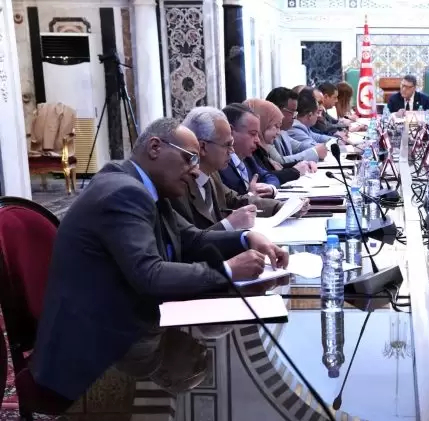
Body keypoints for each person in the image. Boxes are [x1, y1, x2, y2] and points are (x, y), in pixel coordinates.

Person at [30, 117, 289, 402]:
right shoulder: (123, 192)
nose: (195, 170)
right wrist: (227, 270)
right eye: (189, 158)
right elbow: (150, 275)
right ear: (155, 147)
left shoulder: (147, 187)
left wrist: (246, 238)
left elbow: (193, 239)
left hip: (124, 329)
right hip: (93, 357)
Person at [170, 107, 307, 230]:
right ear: (203, 147)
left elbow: (237, 200)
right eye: (227, 145)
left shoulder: (212, 174)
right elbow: (190, 240)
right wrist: (229, 224)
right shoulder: (177, 187)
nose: (231, 151)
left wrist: (283, 207)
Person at [243, 98, 314, 185]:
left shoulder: (260, 148)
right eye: (276, 126)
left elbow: (269, 172)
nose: (279, 132)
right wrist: (295, 171)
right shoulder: (250, 151)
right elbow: (263, 177)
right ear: (263, 123)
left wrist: (303, 164)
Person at [218, 103, 280, 195]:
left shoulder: (247, 158)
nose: (257, 140)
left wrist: (270, 188)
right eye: (253, 134)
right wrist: (250, 195)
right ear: (231, 131)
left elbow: (268, 176)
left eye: (258, 135)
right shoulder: (218, 164)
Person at [265, 87, 327, 165]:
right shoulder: (265, 133)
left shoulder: (283, 131)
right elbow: (280, 162)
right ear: (277, 110)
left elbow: (299, 146)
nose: (295, 117)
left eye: (295, 112)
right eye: (292, 112)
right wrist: (315, 152)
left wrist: (318, 147)